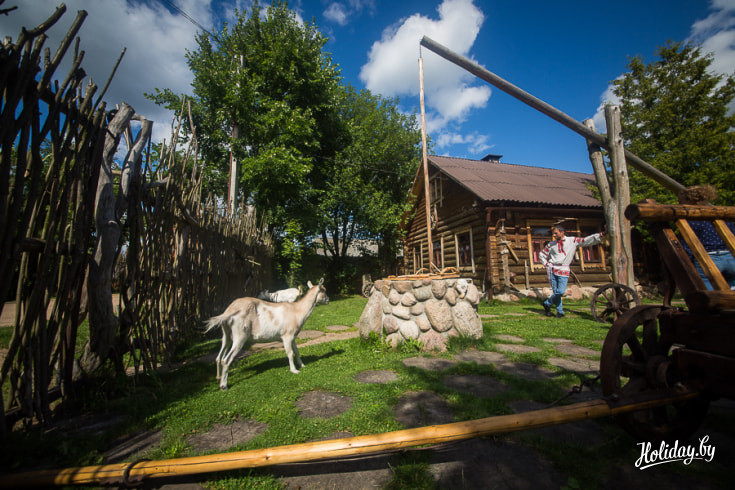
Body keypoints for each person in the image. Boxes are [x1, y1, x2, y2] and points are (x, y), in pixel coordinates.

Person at [539, 226, 605, 318]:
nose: (554, 235)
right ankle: (560, 312)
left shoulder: (572, 241)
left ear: (562, 232)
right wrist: (546, 264)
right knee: (556, 292)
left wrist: (599, 235)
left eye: (556, 233)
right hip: (553, 269)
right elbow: (542, 254)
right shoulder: (551, 244)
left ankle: (547, 303)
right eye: (553, 233)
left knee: (560, 292)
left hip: (564, 269)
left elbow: (585, 240)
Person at [678, 185, 735, 290]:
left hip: (708, 258)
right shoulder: (722, 216)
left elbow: (687, 245)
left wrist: (687, 262)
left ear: (690, 200)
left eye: (681, 202)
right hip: (730, 257)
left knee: (708, 290)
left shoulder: (692, 220)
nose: (679, 205)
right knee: (731, 288)